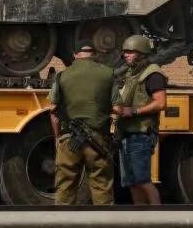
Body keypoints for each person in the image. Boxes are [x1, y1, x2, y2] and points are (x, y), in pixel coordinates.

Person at [48, 41, 116, 205]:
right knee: (102, 186)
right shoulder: (108, 73)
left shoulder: (62, 76)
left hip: (69, 139)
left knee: (65, 186)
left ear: (75, 54)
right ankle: (105, 220)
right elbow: (118, 108)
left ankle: (63, 219)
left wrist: (57, 137)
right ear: (95, 54)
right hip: (98, 140)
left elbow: (53, 111)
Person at [112, 34, 166, 205]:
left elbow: (161, 103)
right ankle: (140, 216)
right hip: (126, 133)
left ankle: (158, 215)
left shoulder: (153, 74)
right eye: (125, 52)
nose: (125, 55)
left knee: (143, 180)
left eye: (130, 52)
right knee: (132, 182)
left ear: (141, 53)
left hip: (141, 134)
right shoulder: (131, 74)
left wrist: (135, 111)